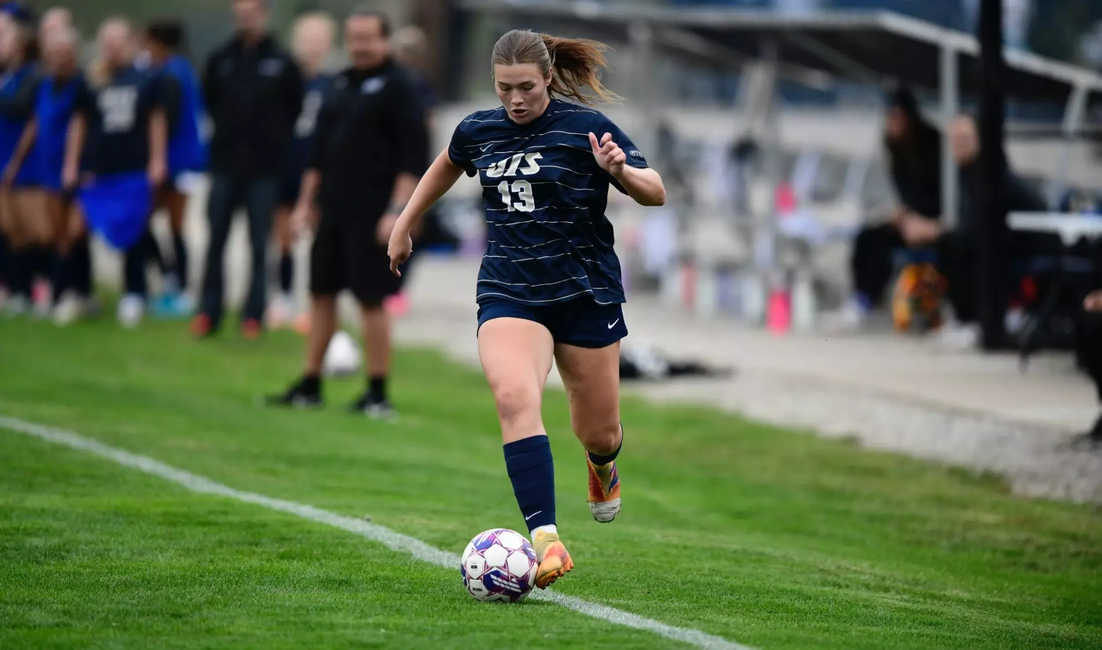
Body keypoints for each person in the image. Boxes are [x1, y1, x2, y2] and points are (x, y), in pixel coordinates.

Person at [387, 29, 666, 588]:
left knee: (600, 431)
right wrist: (404, 221)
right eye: (504, 88)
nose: (515, 100)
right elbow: (447, 163)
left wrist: (620, 172)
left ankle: (602, 467)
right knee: (515, 397)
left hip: (584, 293)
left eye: (527, 88)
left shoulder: (585, 128)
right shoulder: (480, 130)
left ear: (546, 80)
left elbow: (654, 190)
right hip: (510, 291)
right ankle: (547, 540)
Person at [266, 7, 426, 418]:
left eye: (368, 38)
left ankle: (376, 391)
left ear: (384, 40)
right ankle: (310, 383)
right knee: (320, 294)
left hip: (373, 213)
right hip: (332, 210)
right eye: (354, 38)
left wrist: (396, 212)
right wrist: (305, 205)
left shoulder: (400, 87)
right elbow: (317, 153)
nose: (359, 45)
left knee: (372, 299)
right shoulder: (337, 84)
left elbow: (413, 158)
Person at [193, 0, 303, 339]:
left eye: (252, 13)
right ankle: (208, 312)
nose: (246, 20)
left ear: (264, 15)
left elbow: (293, 109)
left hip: (265, 170)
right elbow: (209, 102)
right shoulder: (220, 59)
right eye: (240, 14)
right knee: (216, 241)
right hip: (225, 166)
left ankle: (253, 315)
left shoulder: (282, 63)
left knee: (259, 244)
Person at [898, 115, 1049, 349]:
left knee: (954, 245)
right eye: (955, 139)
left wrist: (933, 230)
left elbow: (976, 227)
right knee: (950, 244)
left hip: (1026, 245)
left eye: (965, 138)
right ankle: (966, 317)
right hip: (999, 243)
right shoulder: (969, 173)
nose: (959, 145)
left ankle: (973, 320)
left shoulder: (990, 173)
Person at [64, 18, 168, 328]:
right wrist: (72, 163)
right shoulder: (91, 80)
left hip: (133, 169)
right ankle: (81, 292)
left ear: (130, 43)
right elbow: (79, 122)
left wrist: (157, 160)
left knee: (133, 230)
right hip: (97, 172)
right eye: (107, 42)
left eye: (118, 41)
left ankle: (134, 293)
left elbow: (157, 120)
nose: (113, 47)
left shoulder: (146, 80)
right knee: (77, 230)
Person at [828, 86, 943, 331]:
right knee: (867, 236)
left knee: (880, 244)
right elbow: (910, 195)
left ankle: (870, 298)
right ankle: (863, 299)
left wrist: (918, 217)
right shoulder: (896, 150)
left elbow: (937, 195)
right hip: (911, 220)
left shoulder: (932, 145)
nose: (892, 123)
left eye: (897, 117)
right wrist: (903, 214)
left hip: (935, 222)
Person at [5, 22, 92, 324]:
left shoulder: (80, 86)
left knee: (71, 235)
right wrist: (17, 162)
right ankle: (66, 293)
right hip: (47, 168)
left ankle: (69, 294)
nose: (59, 59)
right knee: (57, 236)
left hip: (71, 172)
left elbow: (79, 126)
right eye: (54, 54)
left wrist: (72, 164)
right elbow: (35, 125)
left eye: (65, 53)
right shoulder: (44, 86)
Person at [267, 11, 334, 330]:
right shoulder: (282, 79)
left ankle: (314, 303)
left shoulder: (333, 83)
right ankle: (282, 297)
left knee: (319, 240)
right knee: (283, 237)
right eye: (306, 39)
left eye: (317, 39)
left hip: (319, 169)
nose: (311, 46)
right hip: (286, 166)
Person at [140, 20, 207, 318]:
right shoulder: (179, 70)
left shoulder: (173, 74)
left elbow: (168, 119)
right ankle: (173, 281)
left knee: (169, 225)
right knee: (159, 224)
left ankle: (177, 286)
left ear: (159, 43)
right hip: (179, 160)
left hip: (176, 162)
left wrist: (157, 159)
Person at [0, 6, 43, 316]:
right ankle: (15, 289)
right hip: (4, 159)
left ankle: (30, 289)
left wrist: (15, 161)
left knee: (27, 230)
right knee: (9, 230)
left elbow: (25, 115)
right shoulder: (9, 77)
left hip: (22, 165)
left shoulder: (31, 77)